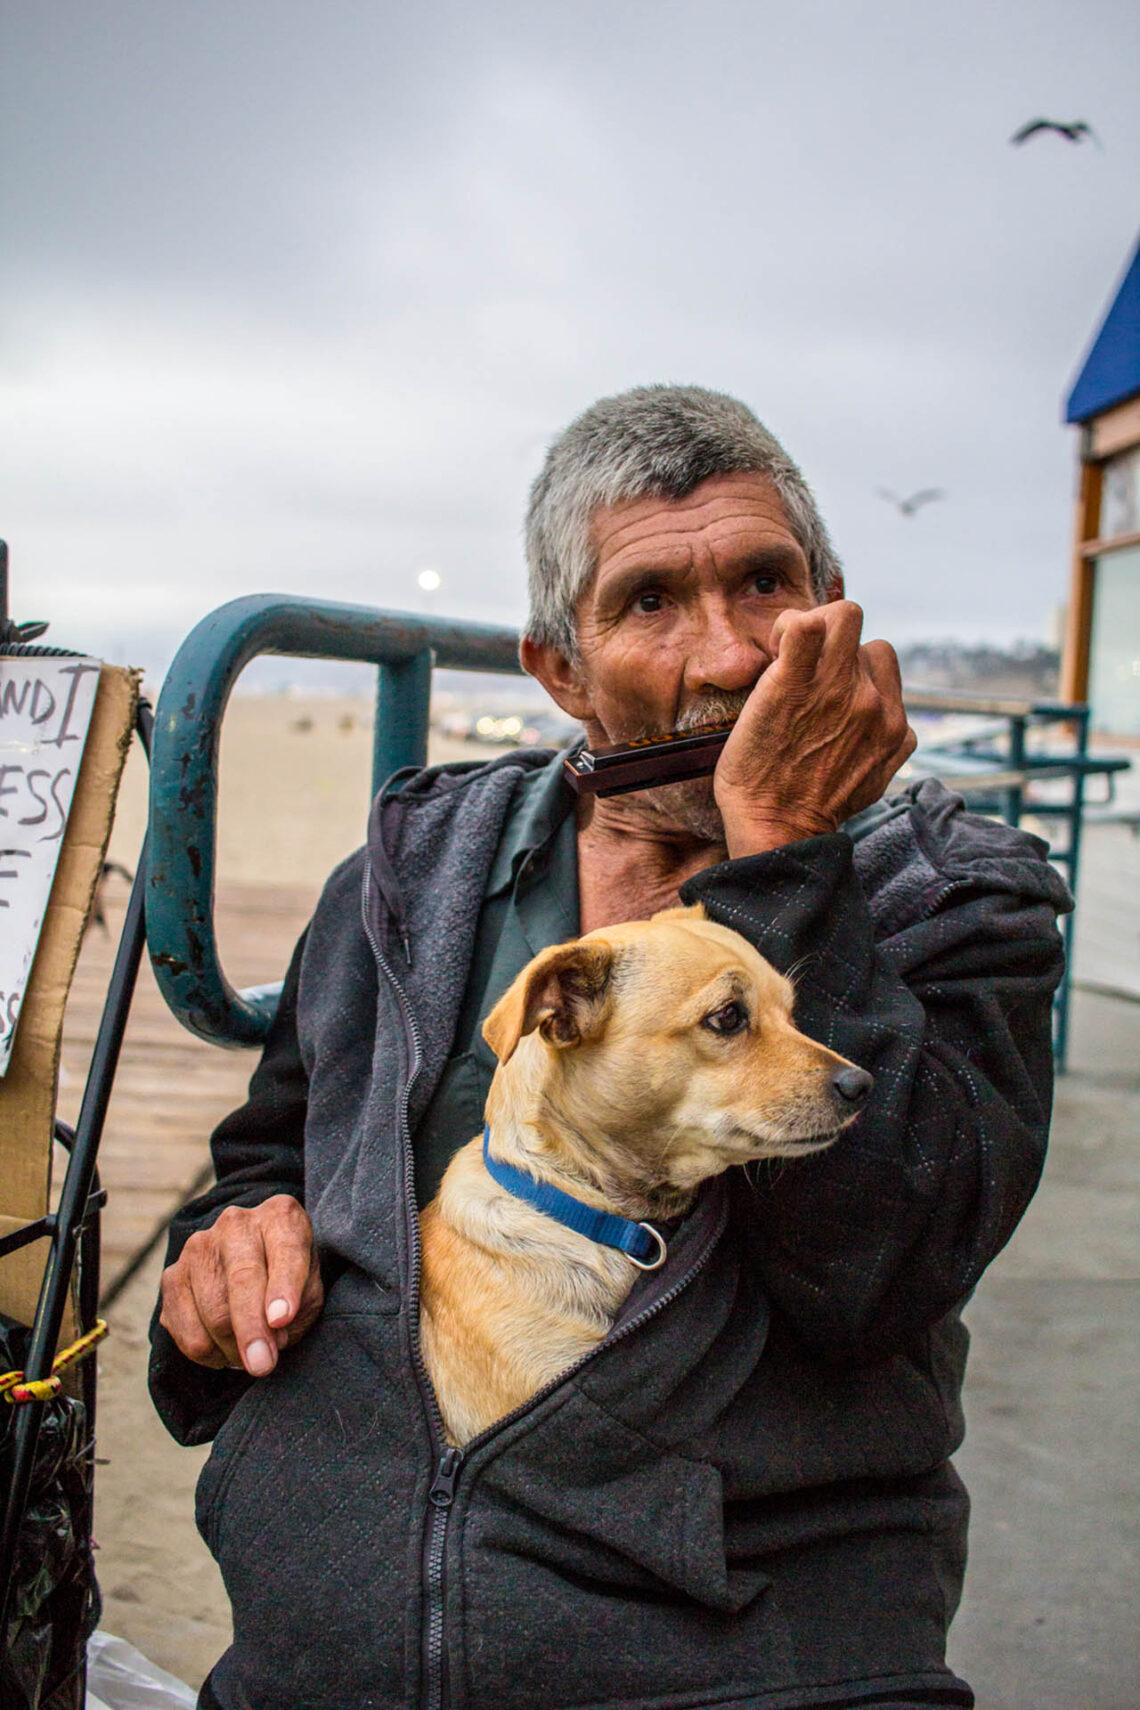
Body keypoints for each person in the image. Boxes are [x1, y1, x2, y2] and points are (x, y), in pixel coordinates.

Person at [151, 385, 1071, 1710]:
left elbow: (880, 1276)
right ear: (556, 670)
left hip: (741, 1657)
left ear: (834, 607)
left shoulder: (955, 900)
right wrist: (233, 1238)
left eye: (768, 582)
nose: (731, 657)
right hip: (325, 1647)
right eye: (649, 602)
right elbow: (262, 1156)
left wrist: (789, 863)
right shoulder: (416, 879)